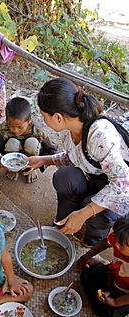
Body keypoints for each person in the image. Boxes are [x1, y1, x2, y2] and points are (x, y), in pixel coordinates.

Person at [24, 78, 129, 246]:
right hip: (98, 178)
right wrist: (41, 160)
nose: (43, 121)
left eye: (44, 116)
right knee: (64, 176)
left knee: (93, 208)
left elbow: (122, 184)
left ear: (58, 117)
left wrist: (85, 213)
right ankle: (66, 220)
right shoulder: (71, 130)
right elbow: (74, 158)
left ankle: (94, 237)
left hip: (121, 190)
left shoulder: (99, 135)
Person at [77, 217, 129, 317]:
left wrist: (115, 303)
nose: (116, 245)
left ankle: (102, 264)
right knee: (85, 276)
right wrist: (86, 257)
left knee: (109, 316)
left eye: (121, 247)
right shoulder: (122, 238)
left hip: (125, 291)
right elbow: (105, 243)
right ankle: (104, 264)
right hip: (114, 273)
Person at [0, 97, 57, 183]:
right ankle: (14, 168)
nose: (15, 130)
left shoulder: (38, 130)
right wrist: (1, 160)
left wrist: (39, 163)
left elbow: (51, 150)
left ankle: (30, 168)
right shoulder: (4, 128)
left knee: (32, 142)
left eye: (20, 127)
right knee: (12, 143)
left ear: (29, 121)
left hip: (31, 154)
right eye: (11, 126)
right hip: (14, 153)